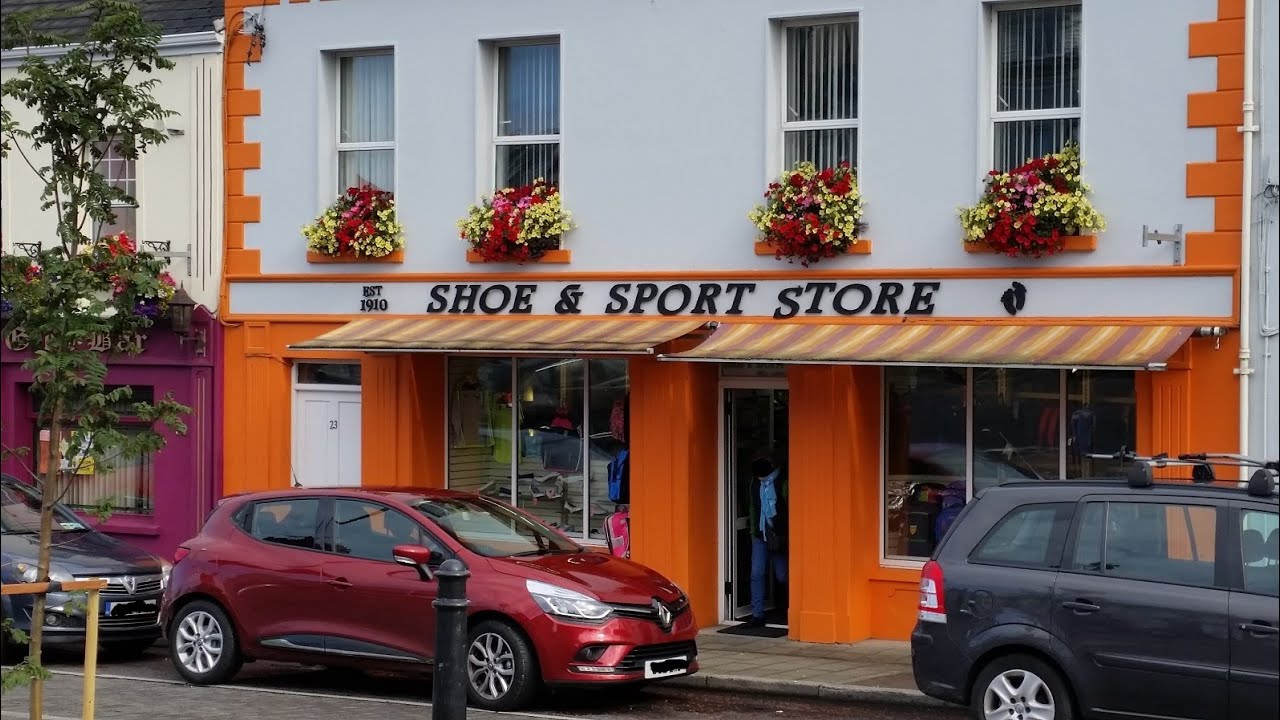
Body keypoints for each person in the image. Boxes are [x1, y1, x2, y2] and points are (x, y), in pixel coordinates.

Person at [745, 456, 788, 627]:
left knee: (783, 575)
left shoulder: (783, 483)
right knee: (756, 574)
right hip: (760, 535)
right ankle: (757, 615)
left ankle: (787, 609)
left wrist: (785, 534)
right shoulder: (754, 484)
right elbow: (753, 508)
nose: (761, 479)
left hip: (779, 535)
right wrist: (754, 530)